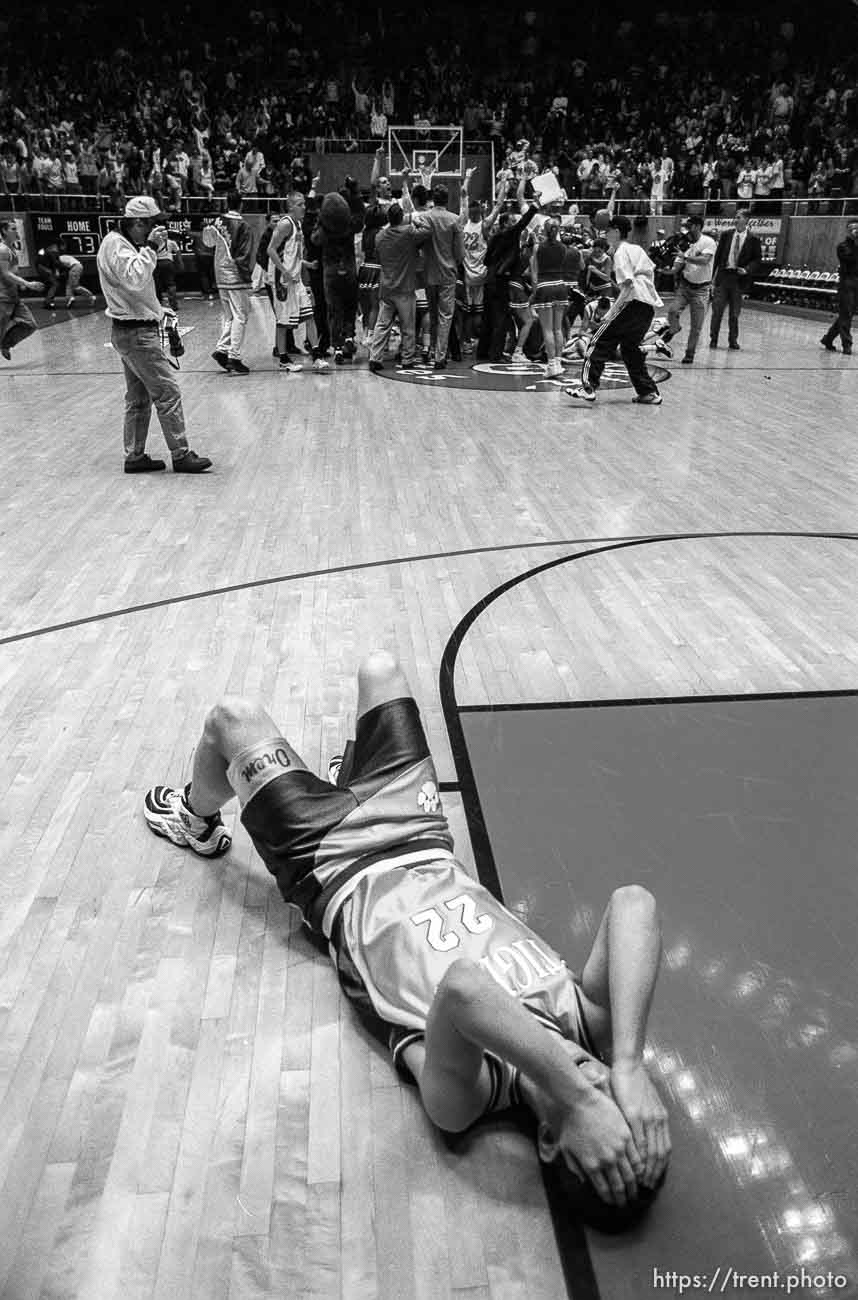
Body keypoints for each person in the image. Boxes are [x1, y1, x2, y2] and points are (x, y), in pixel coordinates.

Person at [143, 650, 671, 1210]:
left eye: (600, 1112)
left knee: (232, 717)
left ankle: (194, 818)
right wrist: (630, 1063)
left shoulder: (466, 1097)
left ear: (549, 1138)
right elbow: (633, 904)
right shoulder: (593, 1026)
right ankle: (346, 781)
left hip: (328, 862)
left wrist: (579, 1098)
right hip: (416, 829)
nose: (601, 1088)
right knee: (380, 670)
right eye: (621, 1105)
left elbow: (466, 988)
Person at [95, 196, 212, 474]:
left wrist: (162, 312)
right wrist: (150, 248)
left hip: (131, 329)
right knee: (167, 392)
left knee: (138, 398)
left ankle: (135, 456)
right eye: (154, 224)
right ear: (138, 223)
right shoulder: (115, 245)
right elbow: (134, 280)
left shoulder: (125, 244)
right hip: (136, 333)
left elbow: (140, 288)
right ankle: (181, 454)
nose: (159, 230)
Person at [564, 214, 664, 406]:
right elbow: (650, 274)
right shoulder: (637, 249)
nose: (606, 234)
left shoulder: (620, 253)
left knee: (597, 341)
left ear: (617, 231)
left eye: (609, 230)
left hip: (630, 305)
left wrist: (610, 313)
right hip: (646, 309)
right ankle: (648, 392)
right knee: (630, 351)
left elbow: (627, 286)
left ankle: (587, 387)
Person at [368, 201, 429, 372]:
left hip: (386, 286)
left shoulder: (379, 236)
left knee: (382, 324)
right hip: (405, 287)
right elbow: (427, 231)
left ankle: (375, 357)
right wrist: (416, 221)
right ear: (401, 217)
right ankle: (407, 359)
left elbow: (378, 257)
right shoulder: (408, 232)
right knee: (408, 326)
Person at [410, 183, 465, 370]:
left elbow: (415, 241)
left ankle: (432, 349)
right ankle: (440, 356)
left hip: (428, 272)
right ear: (448, 200)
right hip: (448, 273)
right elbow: (459, 254)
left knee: (432, 315)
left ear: (433, 198)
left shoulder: (425, 218)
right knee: (445, 316)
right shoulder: (455, 220)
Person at [203, 190, 254, 376]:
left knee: (230, 317)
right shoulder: (243, 226)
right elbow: (244, 255)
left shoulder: (217, 222)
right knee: (241, 315)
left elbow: (207, 243)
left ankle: (222, 349)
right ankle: (235, 357)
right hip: (235, 276)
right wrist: (248, 277)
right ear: (241, 204)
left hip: (219, 274)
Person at [660, 213, 716, 365]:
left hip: (702, 289)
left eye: (689, 226)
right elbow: (676, 266)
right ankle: (674, 328)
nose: (687, 230)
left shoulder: (708, 242)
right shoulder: (683, 243)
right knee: (672, 311)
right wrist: (666, 270)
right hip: (685, 286)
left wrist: (685, 258)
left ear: (697, 226)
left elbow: (705, 261)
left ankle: (689, 354)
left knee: (696, 326)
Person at [709, 209, 763, 350]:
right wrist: (712, 279)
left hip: (739, 279)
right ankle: (713, 339)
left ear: (746, 220)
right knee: (717, 312)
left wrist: (747, 269)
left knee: (734, 314)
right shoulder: (726, 235)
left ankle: (733, 340)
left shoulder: (754, 239)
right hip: (724, 276)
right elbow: (717, 257)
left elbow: (757, 260)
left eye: (738, 217)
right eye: (735, 217)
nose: (736, 219)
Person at [529, 219, 568, 376]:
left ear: (544, 230)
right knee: (558, 328)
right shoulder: (563, 247)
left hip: (545, 287)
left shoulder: (538, 247)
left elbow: (534, 272)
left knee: (547, 330)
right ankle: (558, 362)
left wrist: (534, 292)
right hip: (560, 286)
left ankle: (551, 365)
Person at [0, 219, 41, 361]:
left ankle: (5, 344)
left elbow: (13, 272)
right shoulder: (2, 250)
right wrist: (27, 284)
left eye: (16, 228)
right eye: (13, 229)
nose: (16, 231)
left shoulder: (12, 250)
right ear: (4, 231)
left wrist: (21, 285)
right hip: (2, 299)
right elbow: (5, 273)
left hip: (13, 298)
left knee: (30, 325)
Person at [820, 219, 858, 356]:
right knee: (846, 313)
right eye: (853, 228)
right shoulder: (843, 246)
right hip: (847, 282)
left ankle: (828, 339)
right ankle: (847, 344)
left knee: (846, 314)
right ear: (848, 230)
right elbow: (851, 259)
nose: (856, 230)